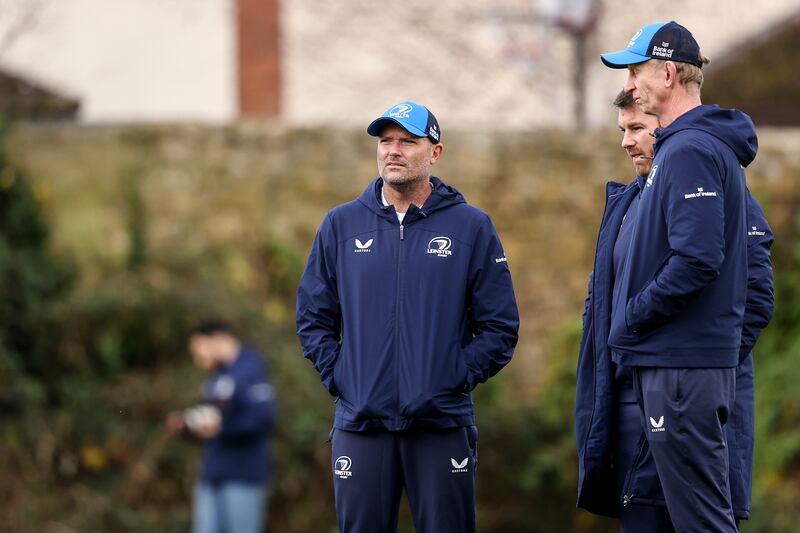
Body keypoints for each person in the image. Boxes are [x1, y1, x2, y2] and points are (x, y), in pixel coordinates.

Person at [296, 101, 519, 532]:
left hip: (440, 425)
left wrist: (453, 376)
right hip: (362, 426)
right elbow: (313, 318)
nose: (393, 151)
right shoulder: (340, 225)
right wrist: (343, 377)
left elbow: (499, 326)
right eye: (386, 142)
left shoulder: (471, 227)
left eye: (407, 142)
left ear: (434, 152)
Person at [574, 89, 774, 531]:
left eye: (638, 129)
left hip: (689, 391)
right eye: (622, 130)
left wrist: (697, 370)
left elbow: (757, 298)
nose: (627, 142)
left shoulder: (718, 191)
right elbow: (601, 306)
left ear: (666, 128)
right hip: (628, 402)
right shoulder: (626, 205)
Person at [166, 320, 277, 533]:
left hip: (243, 476)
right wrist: (186, 426)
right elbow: (209, 419)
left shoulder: (251, 368)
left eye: (198, 347)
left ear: (218, 338)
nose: (197, 356)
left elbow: (264, 417)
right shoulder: (217, 377)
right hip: (212, 474)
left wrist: (223, 430)